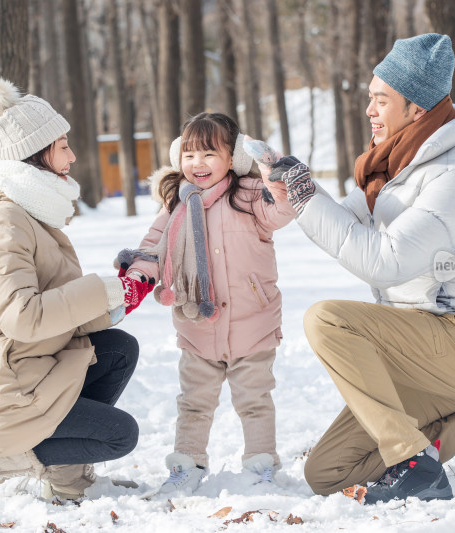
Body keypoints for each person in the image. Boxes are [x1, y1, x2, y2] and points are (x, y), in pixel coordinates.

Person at [245, 33, 455, 505]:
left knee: (327, 319)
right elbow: (348, 221)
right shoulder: (399, 168)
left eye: (382, 100)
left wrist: (305, 194)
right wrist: (294, 192)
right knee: (329, 472)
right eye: (370, 99)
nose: (370, 111)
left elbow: (384, 262)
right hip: (420, 345)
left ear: (416, 108)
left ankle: (412, 464)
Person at [0, 78, 150, 505]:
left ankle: (66, 475)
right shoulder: (2, 220)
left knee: (118, 348)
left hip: (18, 364)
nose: (72, 156)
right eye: (62, 145)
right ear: (36, 153)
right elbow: (22, 316)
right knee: (119, 435)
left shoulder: (31, 212)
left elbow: (57, 308)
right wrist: (100, 289)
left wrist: (122, 295)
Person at [114, 112, 295, 494]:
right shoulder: (175, 205)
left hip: (252, 321)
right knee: (195, 402)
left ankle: (261, 467)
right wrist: (137, 276)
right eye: (190, 154)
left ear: (232, 158)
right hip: (197, 323)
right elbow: (152, 247)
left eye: (210, 154)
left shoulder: (247, 195)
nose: (198, 164)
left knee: (255, 401)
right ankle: (187, 464)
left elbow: (281, 212)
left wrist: (274, 174)